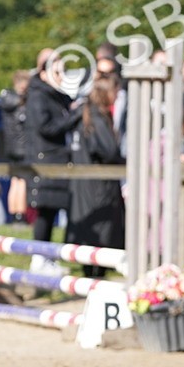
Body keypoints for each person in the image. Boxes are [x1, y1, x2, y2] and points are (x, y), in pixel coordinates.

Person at [25, 48, 82, 273]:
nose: (62, 76)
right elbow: (46, 128)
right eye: (57, 71)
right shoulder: (39, 95)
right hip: (45, 160)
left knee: (50, 210)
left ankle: (46, 257)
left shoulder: (54, 95)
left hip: (55, 159)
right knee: (45, 211)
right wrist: (75, 116)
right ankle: (39, 259)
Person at [67, 77, 125, 278]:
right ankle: (97, 273)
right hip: (100, 185)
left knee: (88, 229)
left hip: (84, 183)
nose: (117, 97)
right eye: (115, 92)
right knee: (102, 229)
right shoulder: (97, 118)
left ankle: (89, 272)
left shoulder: (85, 115)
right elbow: (108, 151)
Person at [0, 69, 31, 223]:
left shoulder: (7, 98)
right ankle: (20, 215)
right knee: (22, 181)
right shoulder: (18, 100)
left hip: (11, 147)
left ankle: (14, 214)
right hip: (21, 148)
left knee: (15, 180)